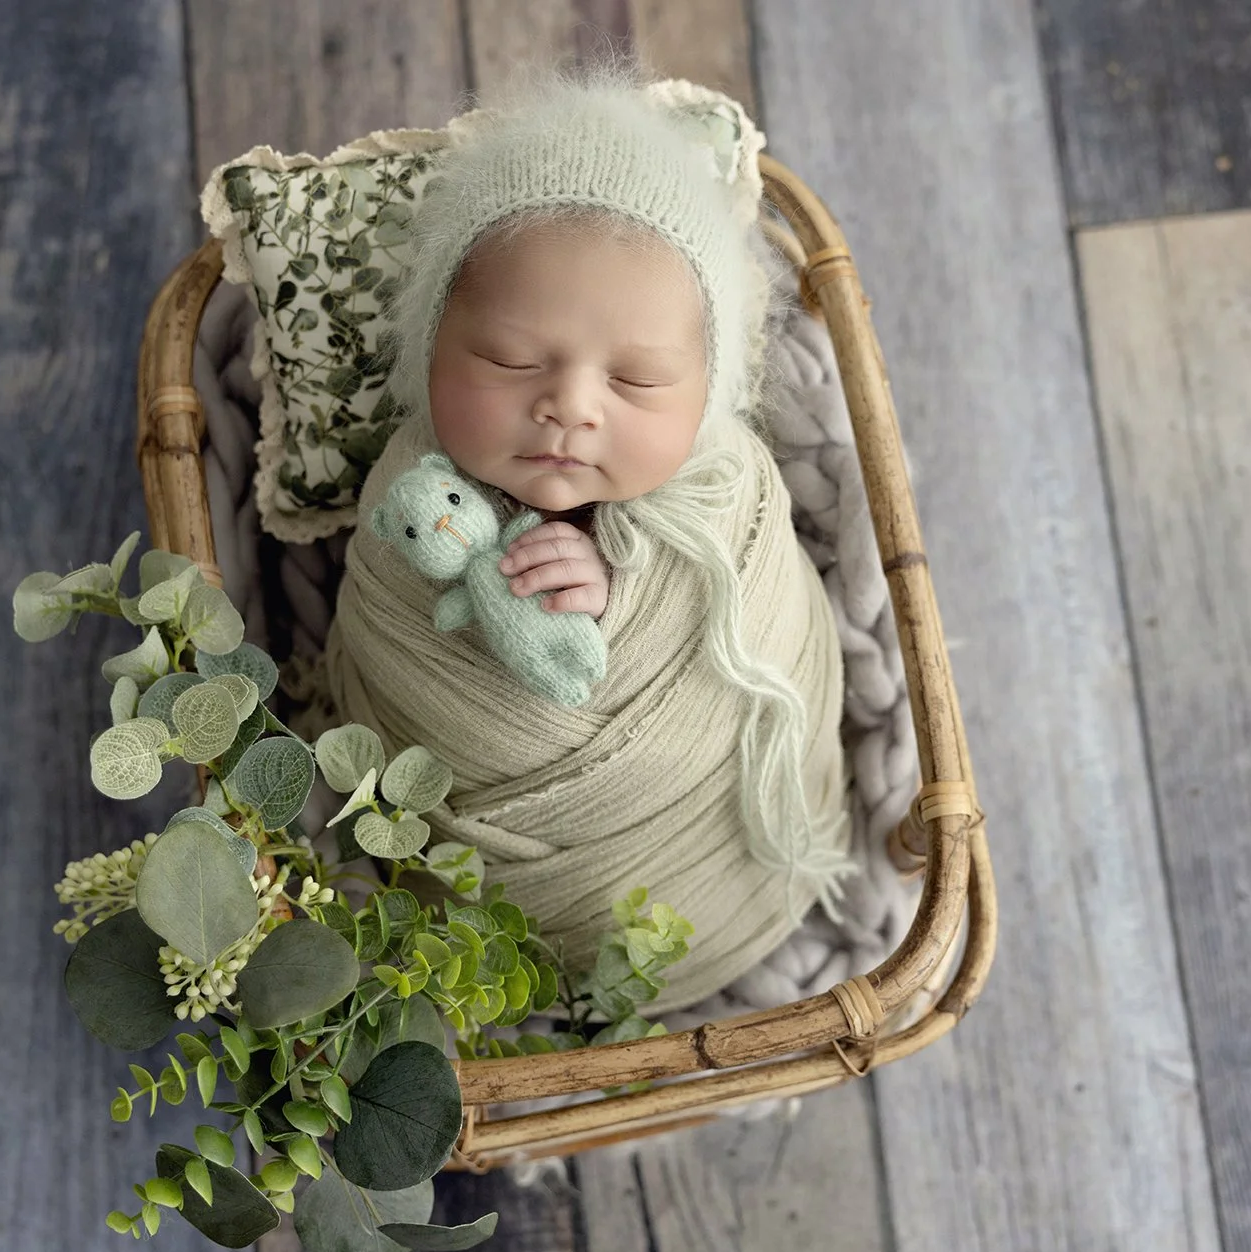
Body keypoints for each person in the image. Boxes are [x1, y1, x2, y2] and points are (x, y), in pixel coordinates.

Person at [324, 62, 859, 1009]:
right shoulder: (405, 498)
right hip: (494, 930)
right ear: (432, 349)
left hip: (722, 859)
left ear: (708, 395)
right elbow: (389, 657)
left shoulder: (728, 493)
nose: (569, 405)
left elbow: (770, 636)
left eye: (637, 380)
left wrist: (627, 586)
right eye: (509, 359)